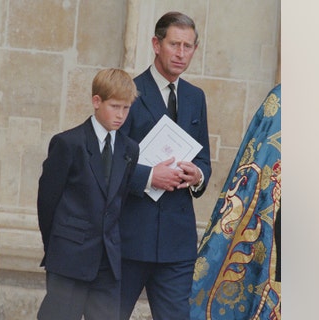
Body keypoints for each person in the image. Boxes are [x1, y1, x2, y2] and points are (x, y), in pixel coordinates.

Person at [118, 11, 212, 320]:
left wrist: (197, 175)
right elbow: (107, 162)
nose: (181, 53)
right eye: (175, 44)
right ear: (156, 44)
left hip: (177, 242)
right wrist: (148, 176)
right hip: (130, 237)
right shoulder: (127, 93)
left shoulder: (195, 97)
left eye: (188, 46)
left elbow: (204, 160)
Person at [36, 68, 140, 320]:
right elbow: (47, 203)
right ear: (96, 101)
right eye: (115, 106)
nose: (121, 115)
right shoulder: (68, 143)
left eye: (126, 108)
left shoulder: (129, 149)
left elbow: (118, 201)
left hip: (108, 263)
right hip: (69, 259)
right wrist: (60, 247)